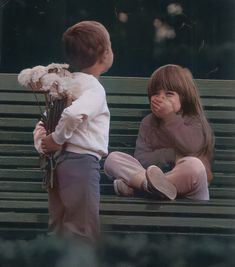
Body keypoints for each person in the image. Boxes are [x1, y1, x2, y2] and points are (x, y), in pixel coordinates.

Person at [33, 21, 113, 241]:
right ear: (106, 54)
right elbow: (71, 115)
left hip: (57, 164)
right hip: (82, 163)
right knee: (82, 229)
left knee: (58, 227)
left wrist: (44, 143)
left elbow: (45, 122)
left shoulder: (67, 85)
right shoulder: (94, 89)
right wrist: (57, 139)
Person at [104, 64, 214, 201]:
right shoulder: (148, 123)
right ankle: (149, 186)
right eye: (156, 93)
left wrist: (170, 118)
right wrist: (170, 154)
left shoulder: (193, 119)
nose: (161, 98)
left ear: (184, 97)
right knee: (113, 159)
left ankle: (142, 189)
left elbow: (193, 147)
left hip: (190, 192)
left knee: (195, 166)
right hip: (149, 177)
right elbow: (141, 159)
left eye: (169, 94)